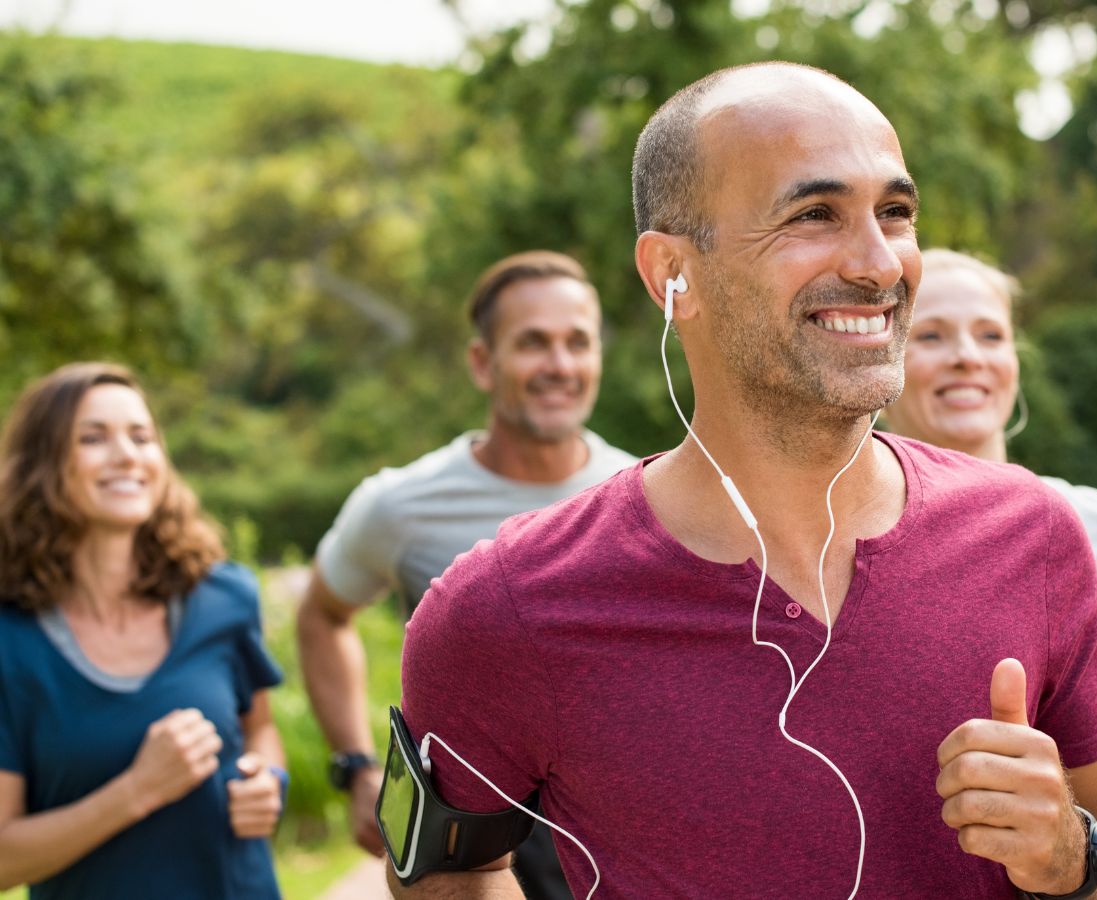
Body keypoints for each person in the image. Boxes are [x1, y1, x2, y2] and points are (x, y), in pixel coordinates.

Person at [394, 63, 1097, 898]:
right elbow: (441, 879)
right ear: (670, 276)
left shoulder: (1034, 535)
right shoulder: (505, 605)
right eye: (815, 214)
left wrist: (1073, 857)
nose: (879, 264)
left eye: (894, 213)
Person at [297, 250, 635, 898]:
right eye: (533, 343)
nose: (560, 366)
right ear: (483, 362)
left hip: (607, 852)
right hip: (467, 854)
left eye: (577, 343)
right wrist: (357, 766)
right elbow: (321, 616)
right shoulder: (401, 506)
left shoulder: (641, 495)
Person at [885, 247, 1097, 824]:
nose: (967, 357)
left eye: (991, 335)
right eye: (930, 336)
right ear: (884, 359)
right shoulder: (833, 543)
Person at [0, 362, 286, 899]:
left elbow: (259, 730)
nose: (127, 456)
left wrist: (267, 780)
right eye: (93, 438)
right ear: (41, 463)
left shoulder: (225, 598)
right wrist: (138, 790)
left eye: (141, 436)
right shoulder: (10, 642)